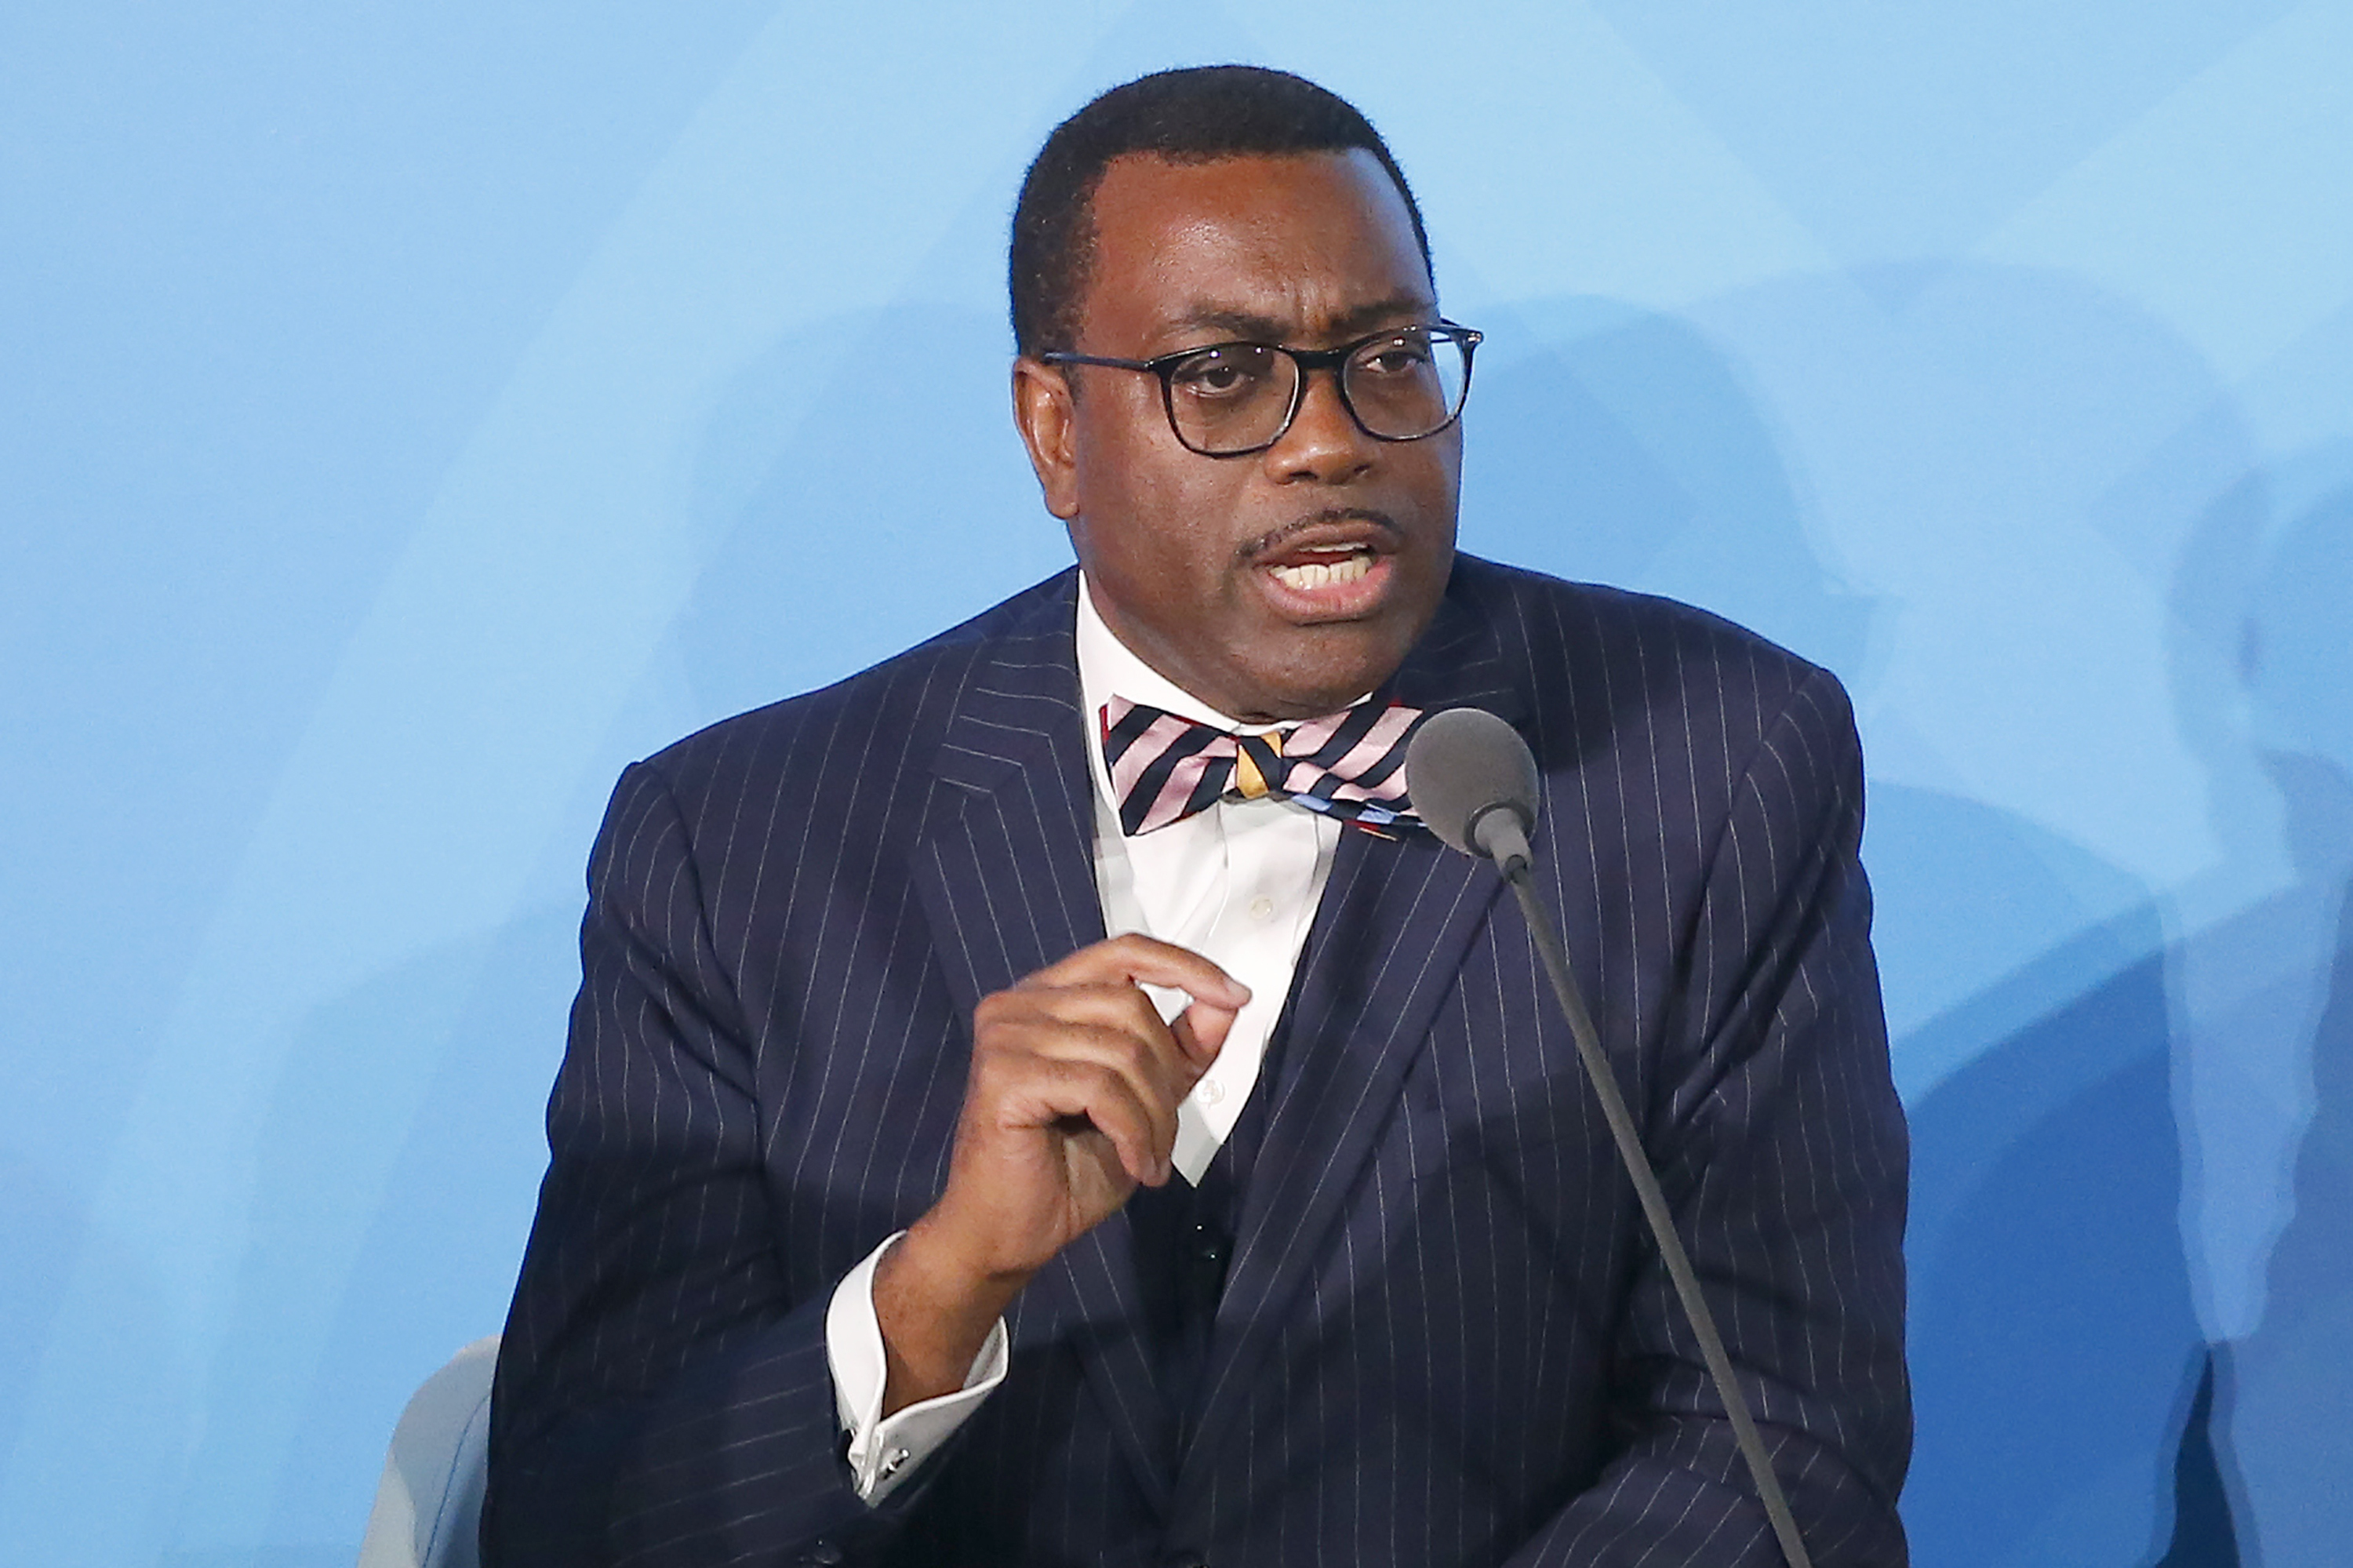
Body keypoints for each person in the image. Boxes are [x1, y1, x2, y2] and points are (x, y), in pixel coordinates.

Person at [482, 65, 1911, 1567]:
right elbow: (578, 1516)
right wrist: (936, 1292)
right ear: (1054, 431)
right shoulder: (736, 846)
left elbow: (1777, 1437)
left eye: (1389, 358)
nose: (1330, 441)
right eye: (1222, 374)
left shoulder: (1716, 760)